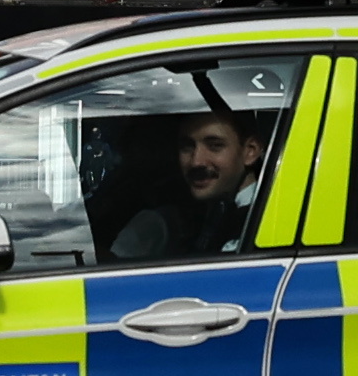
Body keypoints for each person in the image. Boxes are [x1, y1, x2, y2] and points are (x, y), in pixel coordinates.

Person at [108, 108, 267, 261]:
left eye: (215, 146)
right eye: (187, 146)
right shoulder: (206, 214)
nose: (196, 161)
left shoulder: (261, 223)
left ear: (250, 151)